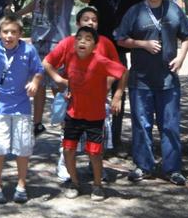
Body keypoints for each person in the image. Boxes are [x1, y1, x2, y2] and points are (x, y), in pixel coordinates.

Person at [114, 0, 188, 186]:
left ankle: (173, 169)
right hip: (141, 79)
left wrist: (181, 57)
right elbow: (120, 38)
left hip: (168, 80)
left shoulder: (173, 10)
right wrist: (142, 44)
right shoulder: (135, 11)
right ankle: (143, 166)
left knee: (169, 124)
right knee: (142, 124)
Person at [43, 26, 128, 201]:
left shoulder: (100, 61)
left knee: (95, 153)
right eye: (79, 37)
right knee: (68, 150)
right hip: (73, 114)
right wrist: (59, 80)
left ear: (95, 45)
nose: (82, 41)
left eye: (88, 38)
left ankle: (97, 186)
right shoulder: (71, 57)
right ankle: (75, 183)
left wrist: (117, 95)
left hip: (95, 116)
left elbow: (124, 71)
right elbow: (46, 62)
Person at [16, 0, 90, 136]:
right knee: (39, 81)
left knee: (59, 84)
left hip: (59, 40)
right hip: (39, 38)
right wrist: (17, 14)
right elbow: (36, 4)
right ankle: (38, 123)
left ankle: (67, 123)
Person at [0, 17, 44, 204]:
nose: (9, 36)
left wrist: (35, 82)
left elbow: (39, 70)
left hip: (21, 106)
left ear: (20, 34)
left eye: (13, 32)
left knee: (23, 148)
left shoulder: (29, 50)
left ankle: (21, 185)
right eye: (5, 32)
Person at [51, 6, 120, 183]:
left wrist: (107, 87)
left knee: (97, 136)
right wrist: (61, 82)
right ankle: (64, 166)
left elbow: (115, 68)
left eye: (94, 20)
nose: (91, 22)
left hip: (98, 100)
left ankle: (95, 167)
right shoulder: (68, 43)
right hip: (73, 99)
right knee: (67, 136)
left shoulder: (105, 42)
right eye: (86, 19)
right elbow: (50, 63)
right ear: (78, 23)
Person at [88, 0, 145, 151]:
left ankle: (116, 138)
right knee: (97, 92)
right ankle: (98, 137)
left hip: (121, 49)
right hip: (101, 48)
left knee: (118, 94)